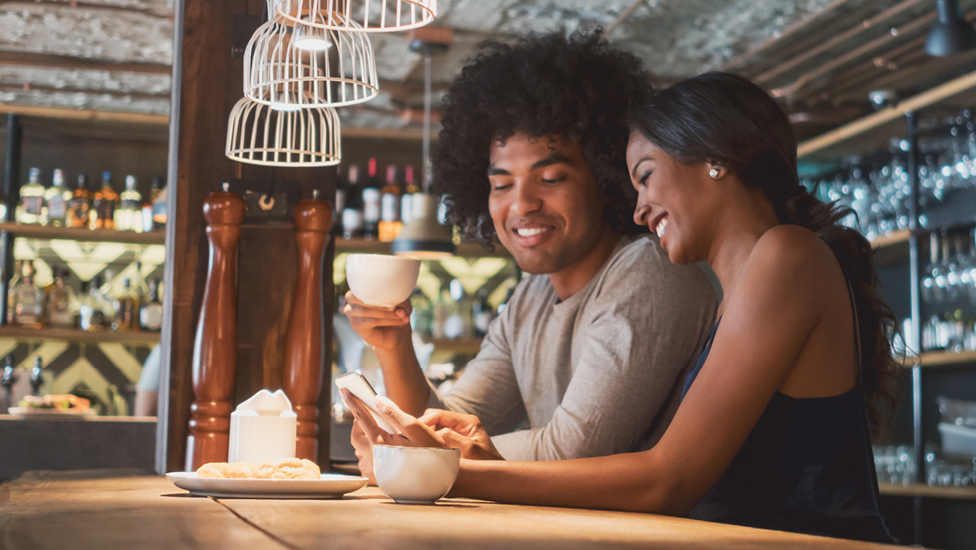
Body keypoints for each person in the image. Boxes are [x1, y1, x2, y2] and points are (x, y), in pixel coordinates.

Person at [343, 72, 902, 544]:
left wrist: (455, 474)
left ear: (715, 160)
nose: (639, 210)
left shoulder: (786, 255)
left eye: (647, 177)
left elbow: (668, 477)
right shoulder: (751, 284)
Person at [343, 31, 718, 476]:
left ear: (606, 176)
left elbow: (574, 450)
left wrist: (430, 450)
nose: (521, 205)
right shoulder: (530, 298)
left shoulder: (651, 273)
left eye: (552, 178)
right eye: (501, 184)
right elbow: (440, 415)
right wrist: (393, 345)